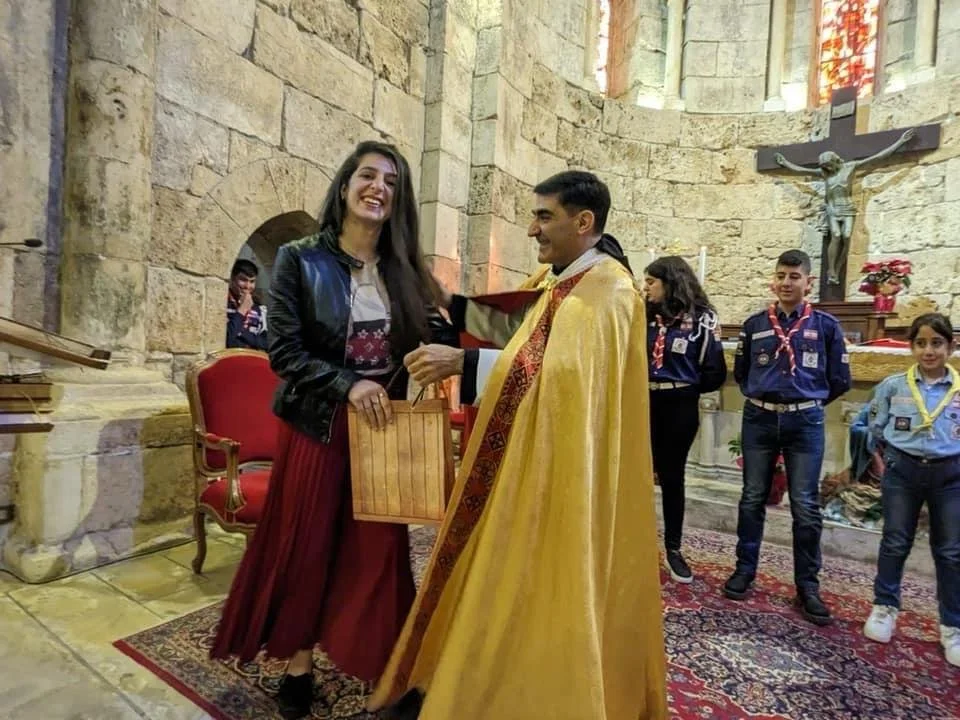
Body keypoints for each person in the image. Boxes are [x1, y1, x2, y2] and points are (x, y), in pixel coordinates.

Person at [366, 170, 668, 720]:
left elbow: (568, 379)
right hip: (520, 457)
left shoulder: (611, 291)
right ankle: (465, 672)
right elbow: (520, 330)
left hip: (563, 470)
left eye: (544, 216)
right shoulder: (558, 280)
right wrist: (448, 303)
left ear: (584, 222)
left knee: (539, 580)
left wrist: (464, 363)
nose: (532, 229)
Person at [209, 141, 456, 720]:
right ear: (345, 186)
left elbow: (438, 330)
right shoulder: (300, 259)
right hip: (318, 426)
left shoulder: (405, 270)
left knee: (380, 552)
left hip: (383, 431)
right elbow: (284, 351)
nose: (379, 188)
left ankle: (390, 667)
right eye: (367, 176)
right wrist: (348, 384)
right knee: (309, 546)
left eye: (391, 182)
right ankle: (297, 663)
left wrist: (445, 345)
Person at [724, 249, 851, 625]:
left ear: (808, 282)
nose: (786, 282)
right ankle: (745, 569)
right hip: (760, 419)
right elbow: (743, 372)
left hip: (804, 423)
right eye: (781, 275)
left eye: (794, 276)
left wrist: (806, 403)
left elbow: (840, 380)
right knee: (751, 498)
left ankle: (807, 587)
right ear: (773, 279)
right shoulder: (754, 324)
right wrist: (763, 395)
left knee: (805, 505)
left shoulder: (826, 326)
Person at [862, 313, 960, 668]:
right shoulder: (894, 385)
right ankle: (884, 607)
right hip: (902, 472)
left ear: (951, 346)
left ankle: (953, 625)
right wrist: (886, 459)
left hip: (951, 476)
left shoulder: (959, 388)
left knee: (950, 551)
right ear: (912, 347)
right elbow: (874, 425)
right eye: (921, 343)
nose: (929, 350)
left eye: (937, 343)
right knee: (895, 540)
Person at [643, 256, 727, 583]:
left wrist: (683, 388)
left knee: (671, 477)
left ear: (671, 282)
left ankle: (674, 549)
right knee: (632, 477)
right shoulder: (642, 315)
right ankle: (628, 544)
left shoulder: (703, 319)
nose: (645, 287)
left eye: (651, 282)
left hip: (679, 405)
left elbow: (714, 371)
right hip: (642, 401)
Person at [773, 127, 914, 285]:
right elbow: (801, 170)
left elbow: (876, 158)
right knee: (836, 235)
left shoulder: (850, 167)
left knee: (847, 236)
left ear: (835, 161)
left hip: (847, 208)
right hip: (832, 209)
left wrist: (900, 142)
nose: (827, 168)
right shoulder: (825, 173)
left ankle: (838, 267)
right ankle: (831, 271)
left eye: (829, 165)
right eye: (825, 166)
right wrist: (785, 163)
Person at [226, 259, 269, 350]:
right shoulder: (222, 303)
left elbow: (266, 343)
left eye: (252, 281)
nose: (247, 286)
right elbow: (226, 340)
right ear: (232, 279)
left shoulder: (259, 308)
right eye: (243, 280)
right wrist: (242, 310)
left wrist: (242, 337)